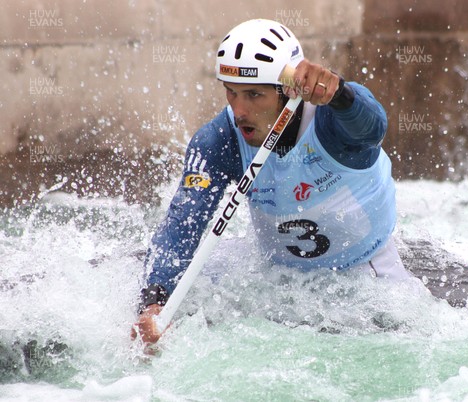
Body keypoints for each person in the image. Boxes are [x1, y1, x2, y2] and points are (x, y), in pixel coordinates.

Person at [132, 19, 411, 344]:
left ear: (288, 92)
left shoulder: (332, 121)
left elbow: (373, 128)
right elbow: (182, 225)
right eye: (231, 92)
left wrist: (341, 94)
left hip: (364, 275)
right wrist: (153, 302)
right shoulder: (218, 141)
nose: (239, 110)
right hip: (277, 284)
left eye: (254, 95)